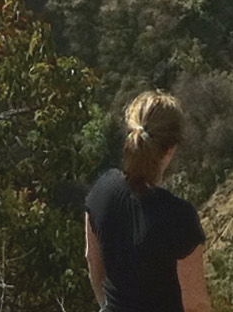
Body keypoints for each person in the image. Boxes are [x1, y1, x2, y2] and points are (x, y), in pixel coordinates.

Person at [86, 91, 215, 312]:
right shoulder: (179, 217)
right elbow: (196, 305)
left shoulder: (102, 189)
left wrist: (106, 306)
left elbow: (92, 258)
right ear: (171, 150)